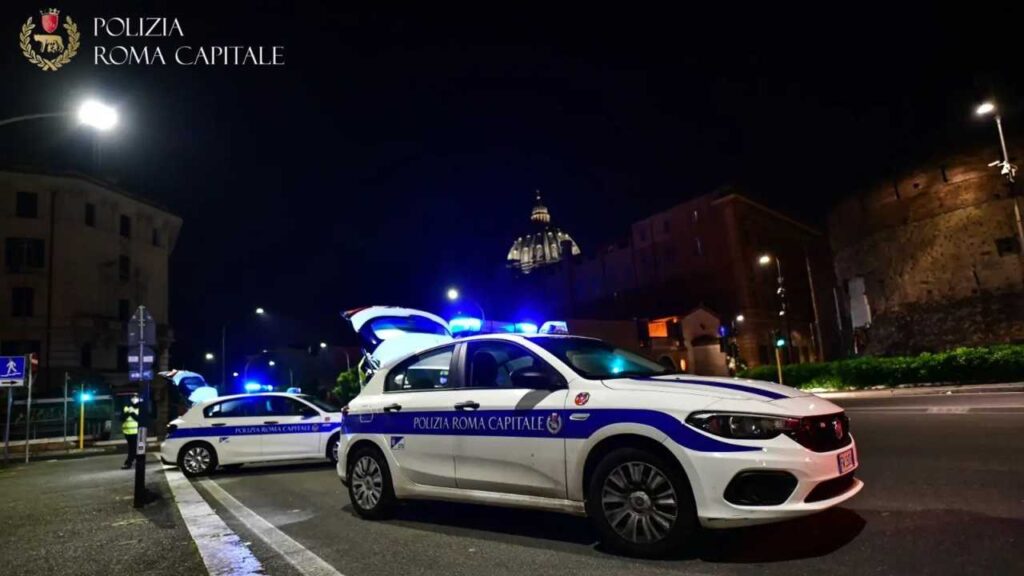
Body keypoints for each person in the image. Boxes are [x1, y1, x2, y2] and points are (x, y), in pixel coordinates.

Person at [121, 394, 140, 469]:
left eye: (136, 397)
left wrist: (132, 414)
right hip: (127, 432)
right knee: (132, 448)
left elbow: (139, 419)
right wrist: (127, 413)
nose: (134, 399)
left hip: (136, 432)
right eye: (133, 397)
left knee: (132, 448)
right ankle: (136, 459)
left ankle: (128, 463)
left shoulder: (140, 409)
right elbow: (122, 418)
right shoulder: (127, 408)